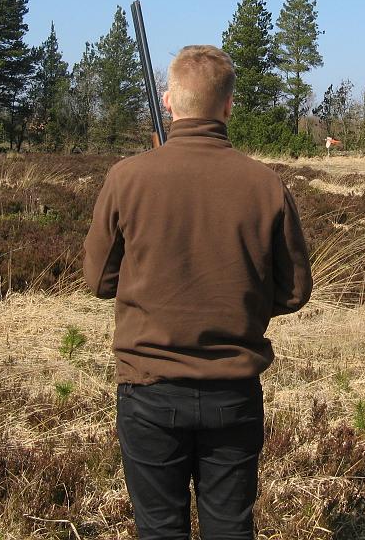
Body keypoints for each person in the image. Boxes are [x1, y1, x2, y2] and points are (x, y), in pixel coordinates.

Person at [85, 44, 313, 540]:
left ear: (169, 102)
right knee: (230, 528)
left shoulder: (127, 178)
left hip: (148, 387)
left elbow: (98, 281)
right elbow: (294, 291)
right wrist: (239, 303)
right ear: (229, 107)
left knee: (159, 529)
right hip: (233, 391)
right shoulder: (266, 184)